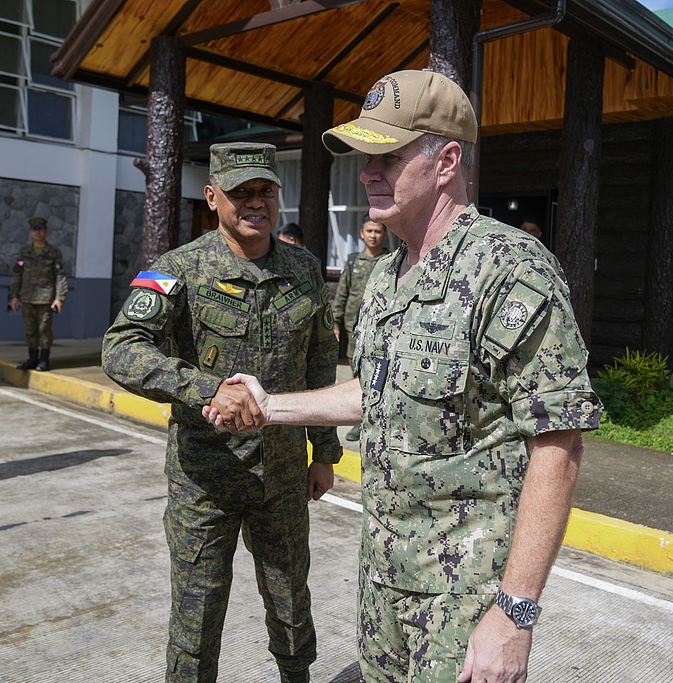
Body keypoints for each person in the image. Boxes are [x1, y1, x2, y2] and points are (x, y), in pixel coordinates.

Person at [205, 70, 602, 683]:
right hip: (385, 581)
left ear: (446, 161)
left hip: (465, 601)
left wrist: (515, 613)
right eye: (366, 157)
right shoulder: (389, 276)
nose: (368, 172)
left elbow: (559, 442)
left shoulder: (510, 270)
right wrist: (271, 405)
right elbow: (378, 393)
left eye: (386, 157)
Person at [101, 142, 341, 683]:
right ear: (212, 198)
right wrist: (205, 389)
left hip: (281, 480)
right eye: (240, 193)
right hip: (204, 484)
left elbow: (320, 363)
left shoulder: (303, 268)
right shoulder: (180, 269)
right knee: (197, 618)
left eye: (265, 191)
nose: (255, 203)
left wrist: (324, 452)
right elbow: (120, 348)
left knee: (290, 605)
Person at [330, 215, 388, 441]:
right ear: (362, 234)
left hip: (382, 330)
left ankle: (377, 418)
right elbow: (342, 294)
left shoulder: (390, 260)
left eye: (378, 231)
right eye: (369, 231)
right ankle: (358, 420)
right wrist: (335, 323)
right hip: (354, 330)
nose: (373, 235)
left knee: (380, 373)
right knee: (357, 375)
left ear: (384, 234)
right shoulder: (353, 261)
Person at [10, 216, 67, 372]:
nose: (37, 232)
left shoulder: (53, 253)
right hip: (27, 297)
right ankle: (32, 359)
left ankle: (43, 360)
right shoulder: (24, 253)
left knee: (44, 329)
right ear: (30, 232)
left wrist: (59, 298)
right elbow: (17, 275)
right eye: (34, 230)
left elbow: (60, 276)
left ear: (46, 232)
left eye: (40, 229)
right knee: (30, 330)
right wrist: (14, 295)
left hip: (46, 298)